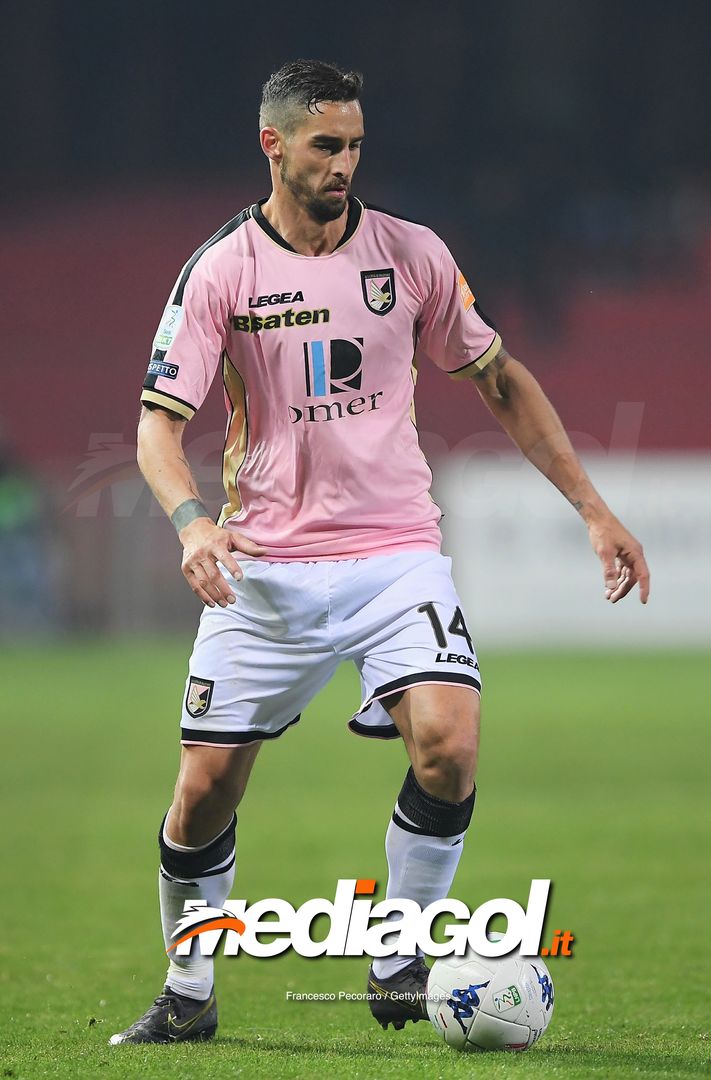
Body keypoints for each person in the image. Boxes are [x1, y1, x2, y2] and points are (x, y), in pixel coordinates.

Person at [110, 59, 650, 1045]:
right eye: (325, 145)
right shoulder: (223, 268)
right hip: (266, 571)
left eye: (354, 144)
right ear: (272, 145)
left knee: (449, 746)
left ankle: (399, 954)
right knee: (202, 794)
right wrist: (193, 521)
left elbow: (499, 379)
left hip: (397, 555)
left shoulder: (410, 253)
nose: (344, 163)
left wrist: (592, 507)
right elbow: (157, 425)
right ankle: (188, 993)